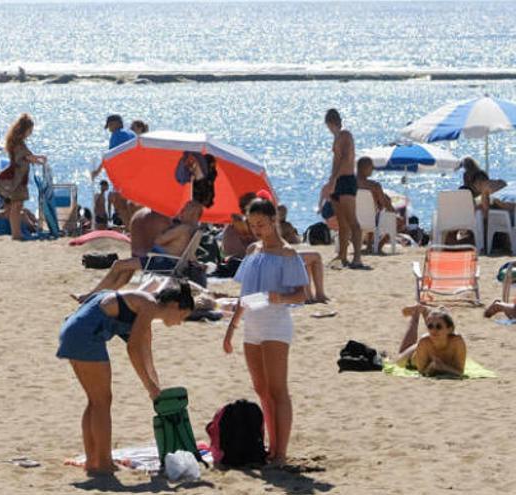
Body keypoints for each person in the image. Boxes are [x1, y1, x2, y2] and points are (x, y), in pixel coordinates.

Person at [57, 282, 194, 475]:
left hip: (73, 333)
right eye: (183, 316)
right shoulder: (149, 305)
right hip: (85, 336)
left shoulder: (145, 307)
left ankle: (92, 461)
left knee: (95, 401)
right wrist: (149, 387)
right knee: (102, 402)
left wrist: (156, 387)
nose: (180, 322)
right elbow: (133, 349)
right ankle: (104, 463)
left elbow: (146, 353)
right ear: (173, 305)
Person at [223, 198, 309, 466]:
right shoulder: (252, 250)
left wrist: (279, 298)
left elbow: (302, 295)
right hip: (252, 324)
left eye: (261, 224)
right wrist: (230, 329)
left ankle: (280, 451)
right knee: (261, 389)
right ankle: (270, 447)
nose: (257, 229)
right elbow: (244, 295)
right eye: (253, 224)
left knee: (277, 389)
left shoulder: (288, 254)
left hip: (276, 323)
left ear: (274, 221)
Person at [73, 201, 203, 302]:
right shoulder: (195, 229)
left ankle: (91, 295)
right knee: (126, 268)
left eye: (185, 209)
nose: (182, 211)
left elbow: (158, 240)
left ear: (192, 213)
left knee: (118, 265)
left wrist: (168, 229)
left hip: (161, 262)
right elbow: (190, 253)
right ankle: (98, 295)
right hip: (170, 262)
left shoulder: (182, 228)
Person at [0, 113, 47, 240]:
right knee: (16, 206)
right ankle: (16, 234)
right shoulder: (17, 143)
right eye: (29, 130)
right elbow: (25, 157)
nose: (30, 133)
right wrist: (39, 158)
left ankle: (17, 233)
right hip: (16, 179)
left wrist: (37, 159)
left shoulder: (17, 142)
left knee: (17, 206)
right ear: (24, 129)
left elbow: (27, 158)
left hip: (19, 178)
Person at [322, 109, 366, 270]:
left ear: (331, 122)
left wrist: (334, 179)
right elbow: (336, 162)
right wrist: (331, 181)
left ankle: (357, 258)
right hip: (338, 181)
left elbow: (346, 159)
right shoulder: (337, 138)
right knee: (341, 222)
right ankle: (342, 255)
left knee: (352, 220)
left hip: (346, 180)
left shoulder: (345, 135)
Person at [396, 304, 466, 377]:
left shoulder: (457, 341)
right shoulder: (424, 341)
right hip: (414, 358)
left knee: (433, 326)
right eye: (430, 327)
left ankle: (424, 310)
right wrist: (431, 367)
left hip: (428, 344)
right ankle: (415, 314)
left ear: (450, 329)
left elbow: (460, 372)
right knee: (399, 361)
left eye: (439, 327)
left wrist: (442, 367)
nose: (433, 330)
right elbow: (422, 372)